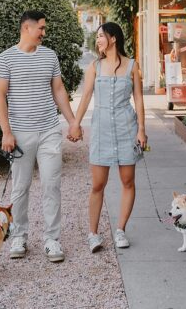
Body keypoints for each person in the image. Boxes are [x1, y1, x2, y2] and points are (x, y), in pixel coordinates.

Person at [0, 10, 82, 263]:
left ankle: (52, 239)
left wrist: (72, 122)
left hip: (49, 131)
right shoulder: (5, 59)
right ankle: (19, 236)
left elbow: (59, 89)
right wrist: (6, 132)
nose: (44, 32)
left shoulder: (49, 56)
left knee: (52, 185)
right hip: (20, 134)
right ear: (27, 28)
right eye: (41, 28)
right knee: (20, 188)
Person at [71, 22, 148, 252]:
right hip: (101, 129)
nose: (98, 40)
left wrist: (141, 129)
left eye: (101, 36)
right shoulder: (94, 66)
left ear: (113, 38)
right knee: (98, 184)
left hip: (127, 128)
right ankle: (93, 234)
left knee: (128, 181)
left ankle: (120, 230)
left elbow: (139, 98)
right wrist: (75, 124)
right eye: (97, 37)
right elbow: (86, 97)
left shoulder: (132, 65)